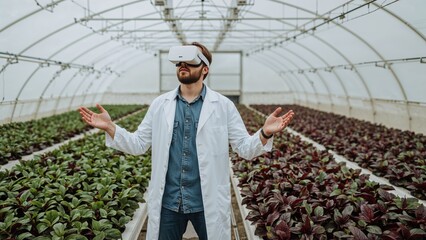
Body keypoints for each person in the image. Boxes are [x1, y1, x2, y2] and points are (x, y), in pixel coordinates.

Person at [78, 42, 294, 240]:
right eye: (179, 62)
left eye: (190, 62)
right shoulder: (160, 105)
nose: (183, 66)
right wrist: (111, 127)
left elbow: (245, 149)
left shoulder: (224, 106)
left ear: (205, 69)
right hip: (169, 203)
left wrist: (264, 132)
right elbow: (139, 144)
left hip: (205, 202)